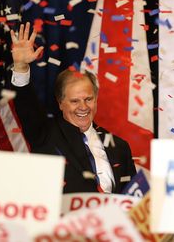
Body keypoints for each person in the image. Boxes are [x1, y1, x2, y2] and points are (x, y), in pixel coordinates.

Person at [10, 22, 136, 194]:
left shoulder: (120, 147)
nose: (83, 107)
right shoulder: (45, 134)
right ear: (60, 102)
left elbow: (132, 200)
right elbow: (26, 106)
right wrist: (21, 67)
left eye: (88, 99)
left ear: (96, 99)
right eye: (75, 101)